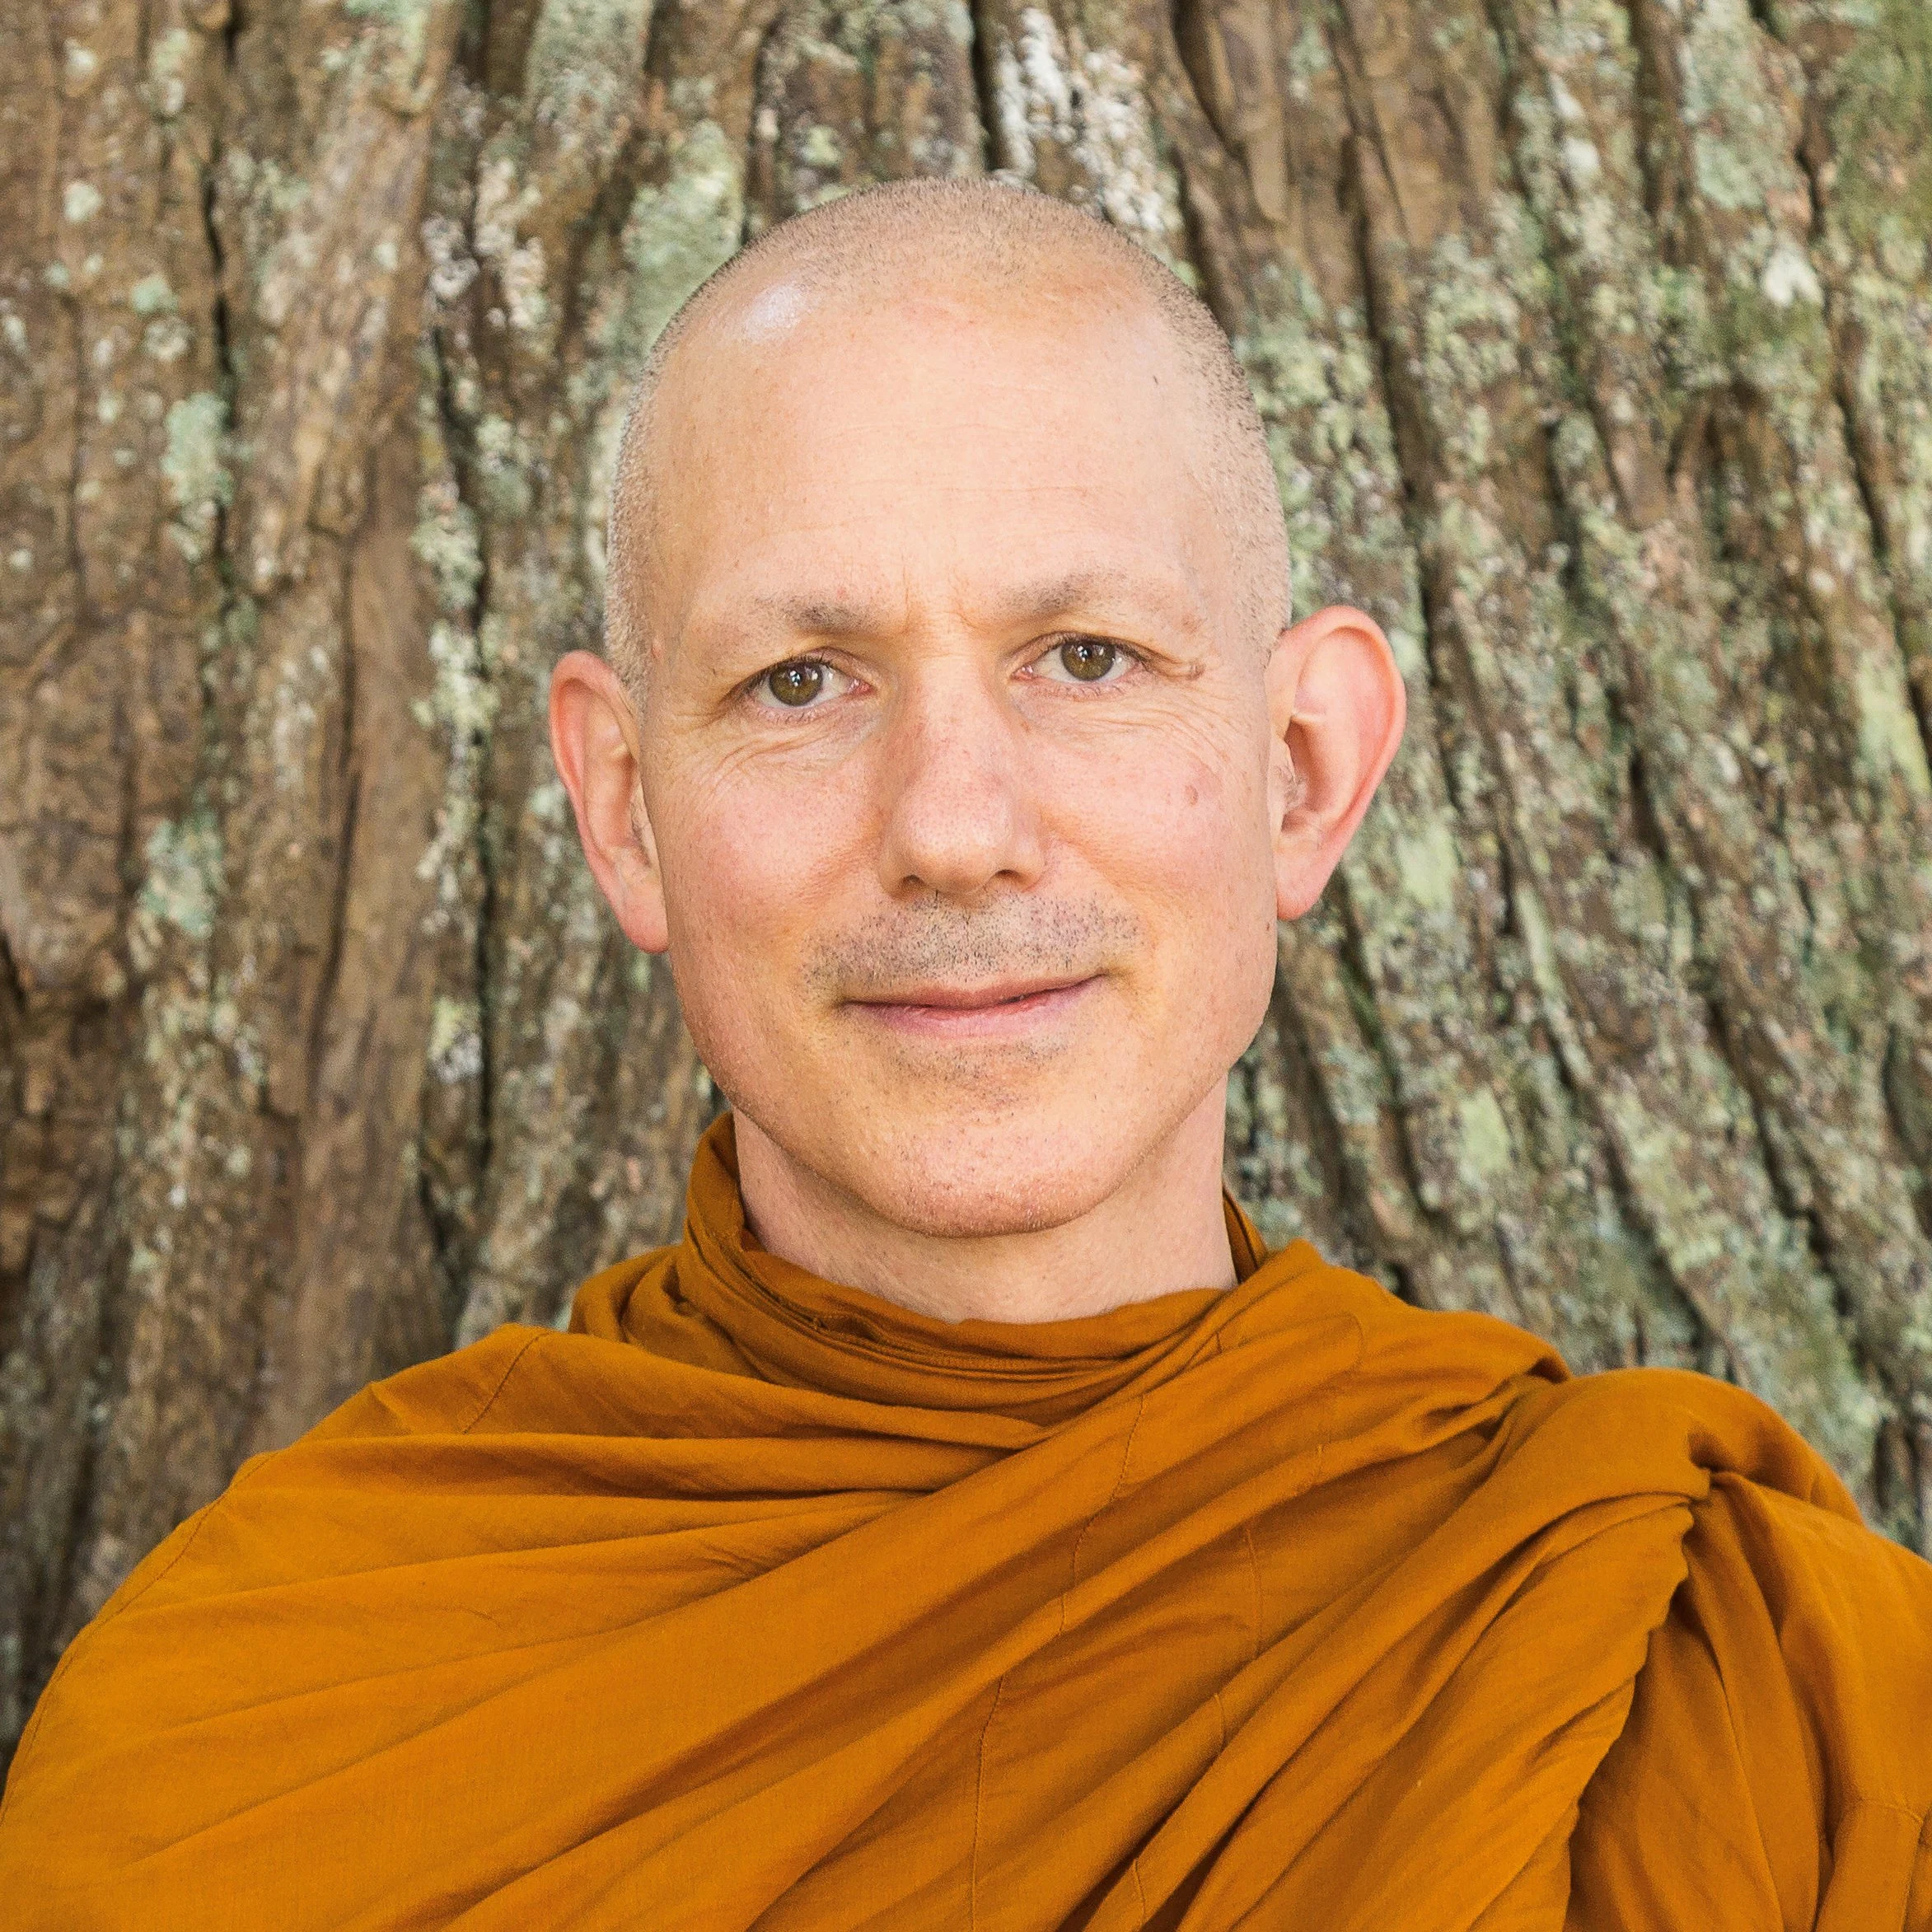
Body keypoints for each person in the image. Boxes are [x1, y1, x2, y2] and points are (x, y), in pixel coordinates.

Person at [2, 177, 1928, 1930]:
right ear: (624, 807)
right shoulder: (258, 1733)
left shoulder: (1726, 1683)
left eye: (1083, 655)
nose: (951, 820)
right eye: (801, 679)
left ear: (1299, 771)